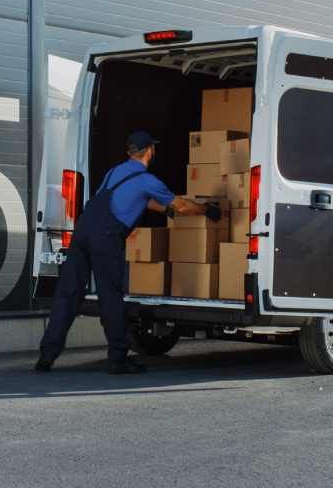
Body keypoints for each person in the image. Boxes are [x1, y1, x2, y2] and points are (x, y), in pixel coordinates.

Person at [36, 130, 219, 375]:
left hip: (83, 231)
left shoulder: (115, 172)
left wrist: (164, 211)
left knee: (68, 294)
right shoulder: (148, 180)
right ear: (150, 151)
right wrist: (206, 209)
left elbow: (130, 199)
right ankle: (118, 360)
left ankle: (46, 356)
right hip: (106, 238)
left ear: (130, 152)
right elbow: (183, 205)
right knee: (110, 298)